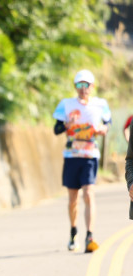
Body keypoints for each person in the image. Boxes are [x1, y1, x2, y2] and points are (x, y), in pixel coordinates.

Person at [53, 69, 111, 253]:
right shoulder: (66, 105)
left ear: (92, 86)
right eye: (79, 84)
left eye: (86, 84)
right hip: (72, 156)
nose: (83, 88)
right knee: (73, 199)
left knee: (88, 194)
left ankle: (90, 236)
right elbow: (56, 129)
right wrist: (67, 125)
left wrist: (103, 130)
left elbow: (107, 124)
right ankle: (73, 232)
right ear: (75, 86)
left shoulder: (100, 104)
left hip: (90, 156)